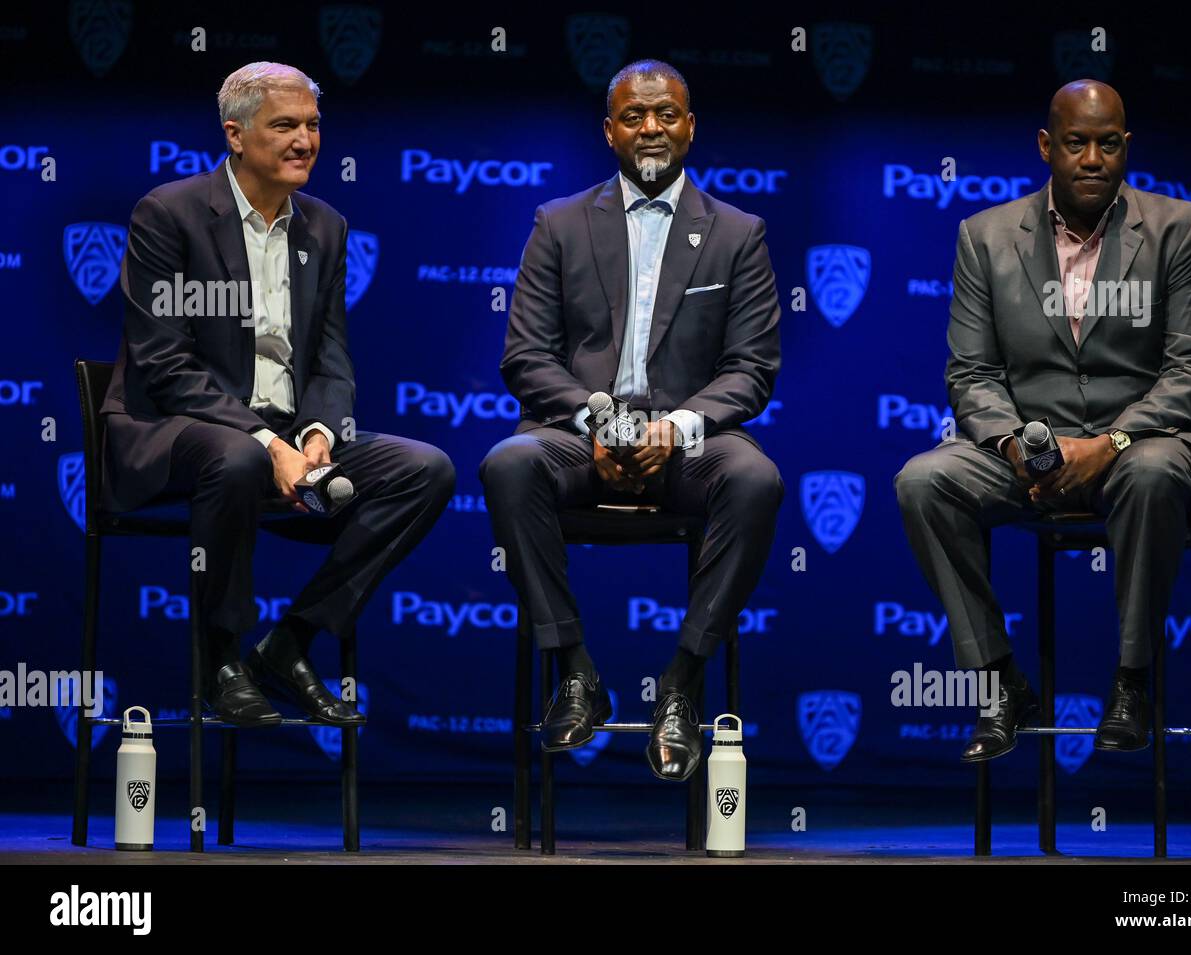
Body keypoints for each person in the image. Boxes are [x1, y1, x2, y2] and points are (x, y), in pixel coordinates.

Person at [102, 62, 455, 727]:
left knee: (424, 469)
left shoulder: (324, 227)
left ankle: (291, 641)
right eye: (284, 125)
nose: (305, 140)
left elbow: (330, 358)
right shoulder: (169, 213)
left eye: (313, 125)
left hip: (288, 437)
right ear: (235, 135)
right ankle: (222, 658)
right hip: (176, 431)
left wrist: (318, 436)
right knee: (233, 458)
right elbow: (163, 362)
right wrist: (269, 445)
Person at [894, 79, 1191, 761]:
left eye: (1108, 144)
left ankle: (1133, 681)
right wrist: (1019, 448)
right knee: (924, 480)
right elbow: (972, 375)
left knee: (1156, 469)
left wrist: (1109, 442)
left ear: (1127, 147)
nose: (1094, 158)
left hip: (1138, 447)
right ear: (1048, 146)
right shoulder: (985, 237)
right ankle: (999, 682)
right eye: (1077, 143)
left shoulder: (1181, 228)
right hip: (1033, 457)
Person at [480, 60, 783, 781]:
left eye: (667, 114)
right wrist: (598, 423)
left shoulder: (737, 233)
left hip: (682, 443)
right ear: (610, 131)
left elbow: (751, 369)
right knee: (507, 463)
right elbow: (526, 356)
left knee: (755, 477)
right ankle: (576, 672)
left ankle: (681, 681)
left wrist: (673, 427)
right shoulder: (557, 224)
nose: (652, 127)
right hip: (583, 437)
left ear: (690, 127)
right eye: (635, 116)